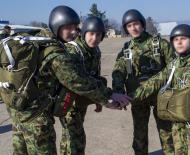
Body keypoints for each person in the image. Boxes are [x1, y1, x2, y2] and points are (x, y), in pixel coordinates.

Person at [0, 5, 131, 155]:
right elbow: (77, 81)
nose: (74, 32)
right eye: (69, 27)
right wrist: (108, 95)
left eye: (75, 28)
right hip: (35, 116)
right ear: (58, 25)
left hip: (18, 109)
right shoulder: (55, 53)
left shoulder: (40, 39)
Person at [134, 24, 190, 155]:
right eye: (175, 39)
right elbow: (155, 81)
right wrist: (132, 97)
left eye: (183, 38)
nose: (179, 42)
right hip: (177, 124)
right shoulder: (174, 64)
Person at [112, 9, 174, 155]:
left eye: (136, 24)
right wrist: (118, 92)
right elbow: (118, 72)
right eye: (129, 26)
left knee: (167, 133)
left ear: (142, 24)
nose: (133, 28)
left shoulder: (160, 44)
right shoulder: (127, 49)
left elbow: (174, 67)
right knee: (139, 135)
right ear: (126, 29)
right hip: (138, 97)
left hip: (161, 97)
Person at [59, 16, 108, 155]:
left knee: (72, 139)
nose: (95, 38)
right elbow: (74, 82)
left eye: (99, 34)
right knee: (74, 140)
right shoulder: (73, 51)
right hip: (69, 103)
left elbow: (95, 77)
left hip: (81, 101)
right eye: (91, 34)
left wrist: (97, 100)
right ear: (83, 33)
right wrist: (104, 98)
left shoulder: (95, 51)